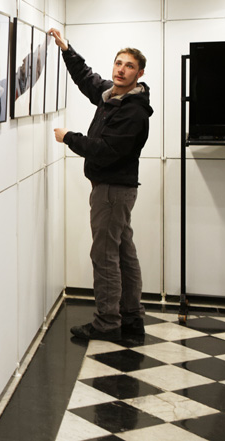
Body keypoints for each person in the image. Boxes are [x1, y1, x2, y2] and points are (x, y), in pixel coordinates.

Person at [49, 28, 153, 341]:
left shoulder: (133, 111)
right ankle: (131, 316)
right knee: (123, 252)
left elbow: (106, 152)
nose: (121, 69)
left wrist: (69, 138)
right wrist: (67, 49)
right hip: (115, 190)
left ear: (140, 73)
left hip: (112, 190)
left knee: (104, 255)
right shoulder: (113, 95)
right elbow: (87, 79)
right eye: (118, 63)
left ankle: (108, 322)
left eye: (129, 66)